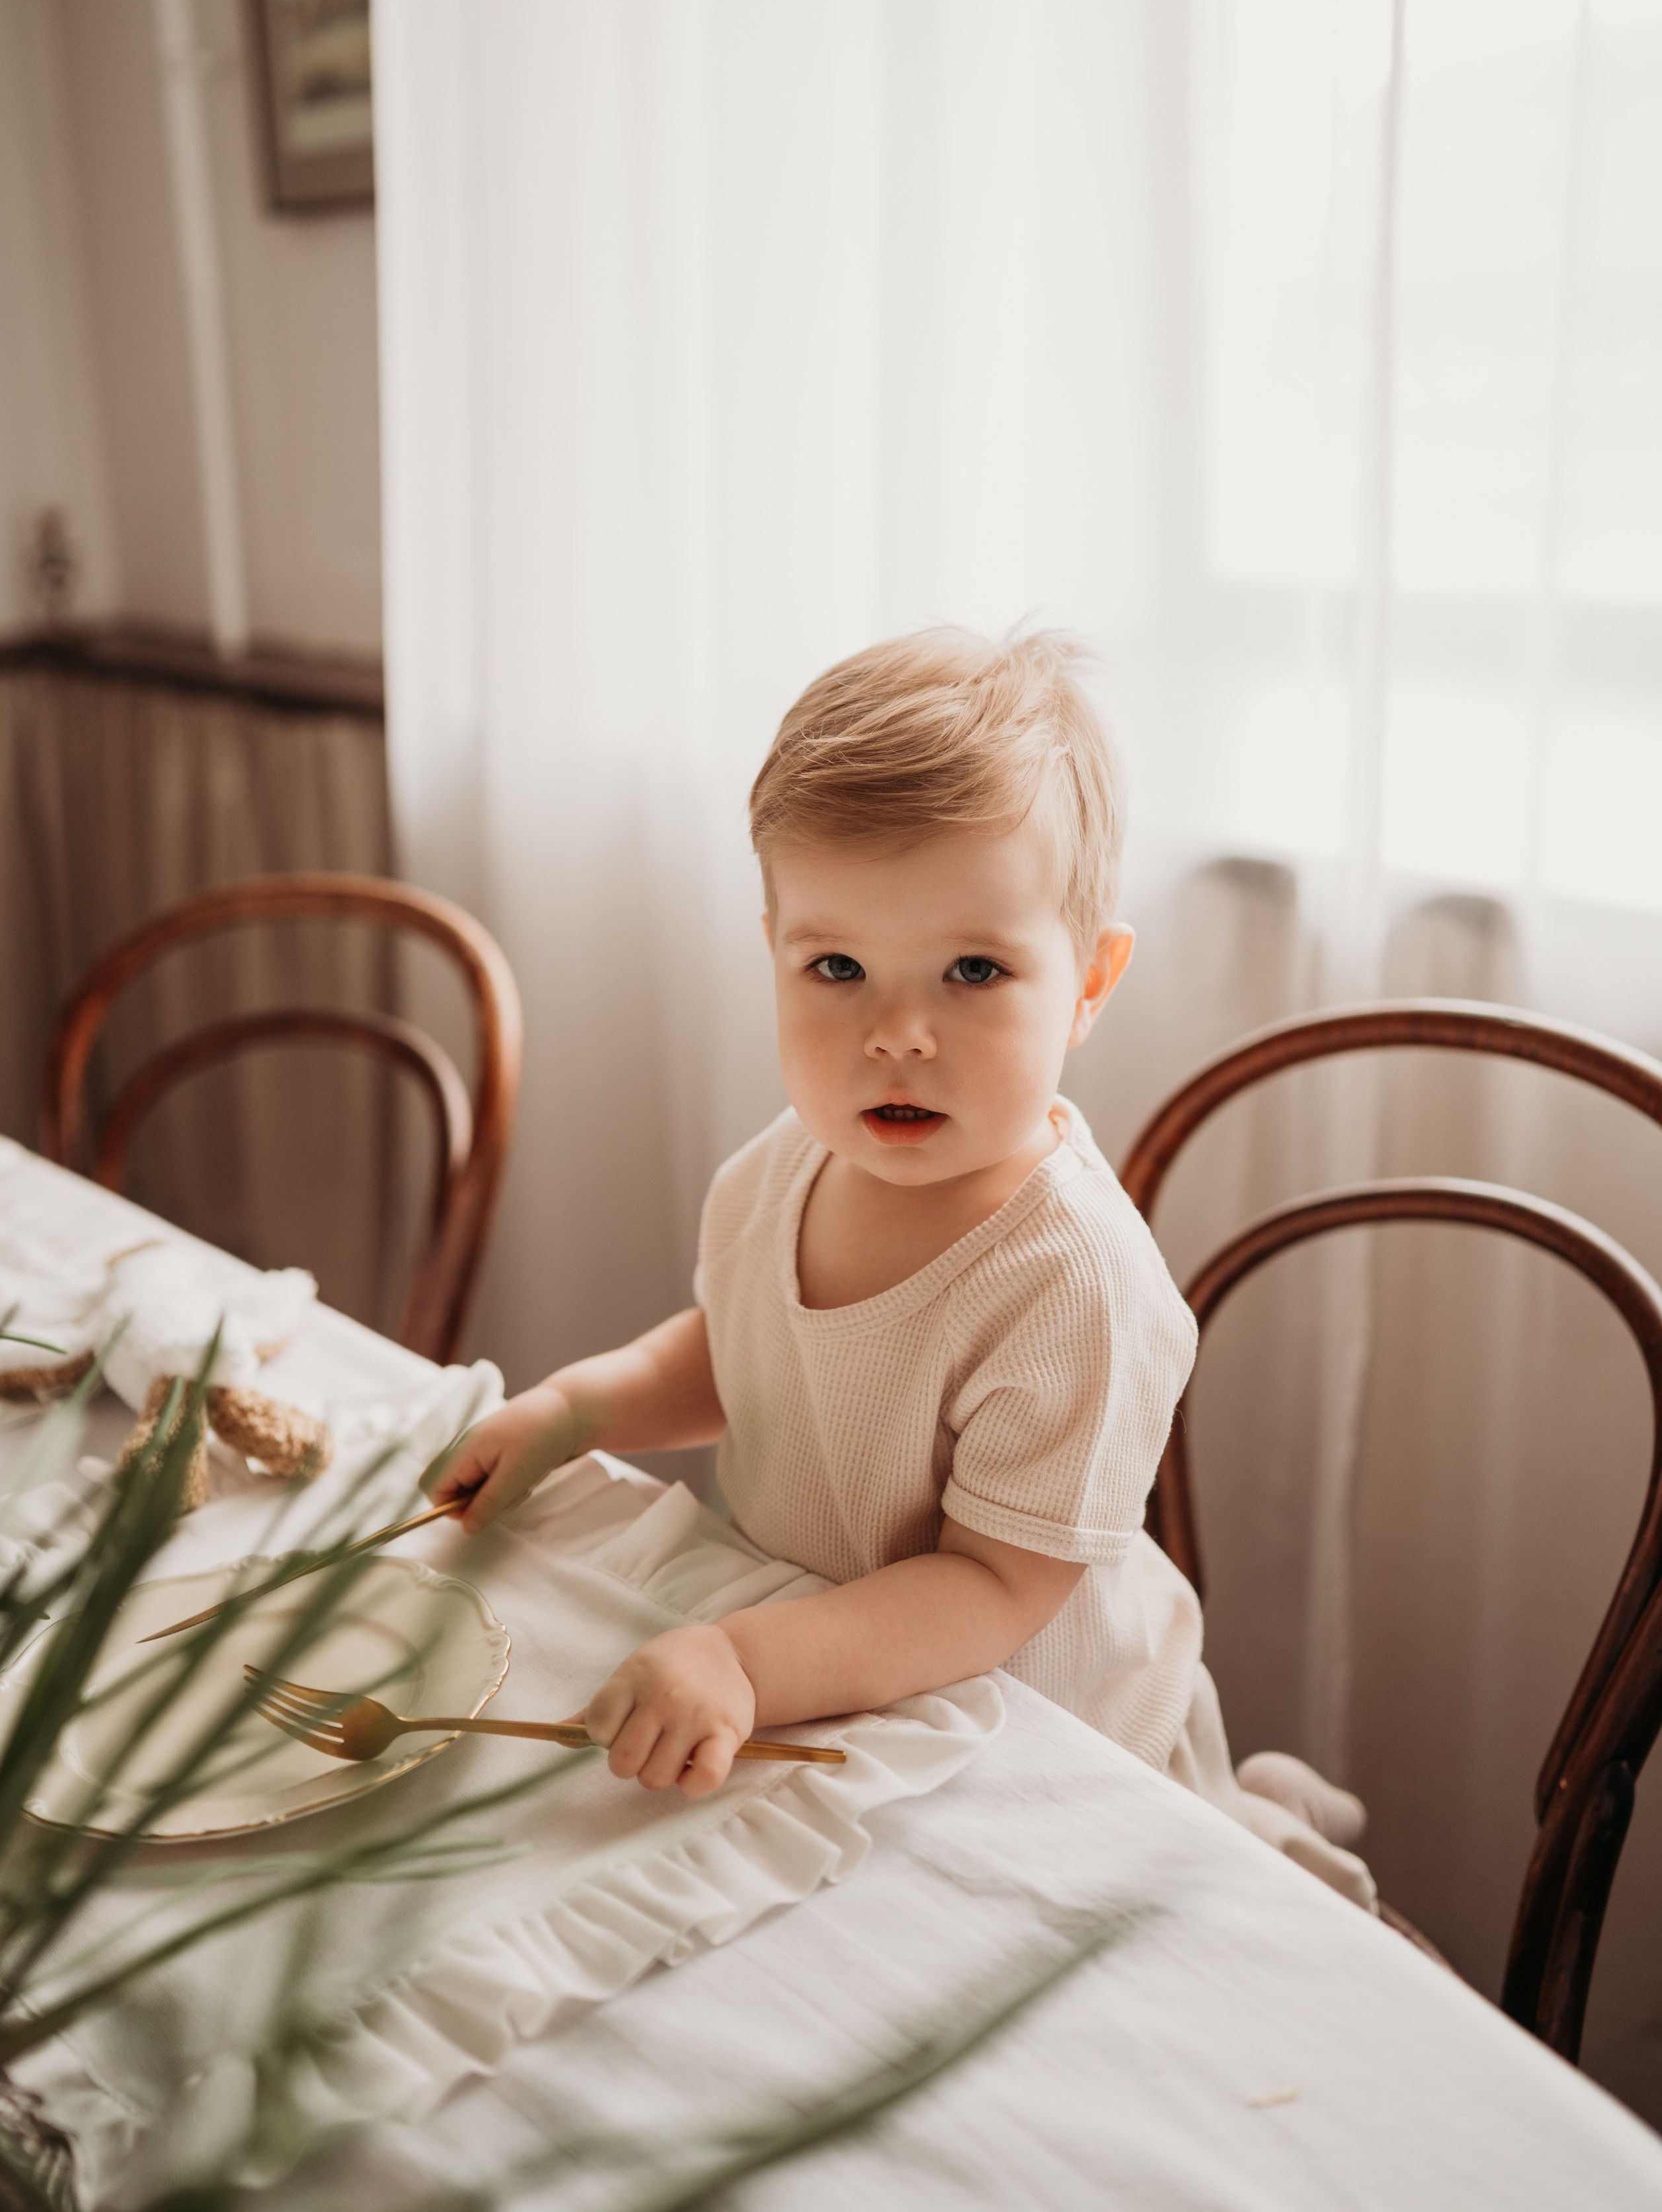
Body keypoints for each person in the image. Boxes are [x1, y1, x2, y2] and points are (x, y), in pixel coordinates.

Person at [432, 627, 1374, 1905]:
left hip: (1034, 1745)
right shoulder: (781, 1170)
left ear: (1088, 981)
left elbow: (989, 1589)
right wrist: (576, 1408)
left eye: (972, 971)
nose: (895, 1034)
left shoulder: (1071, 1284)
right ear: (771, 947)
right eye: (835, 968)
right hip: (821, 1664)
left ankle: (1256, 1816)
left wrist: (746, 1659)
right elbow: (743, 1350)